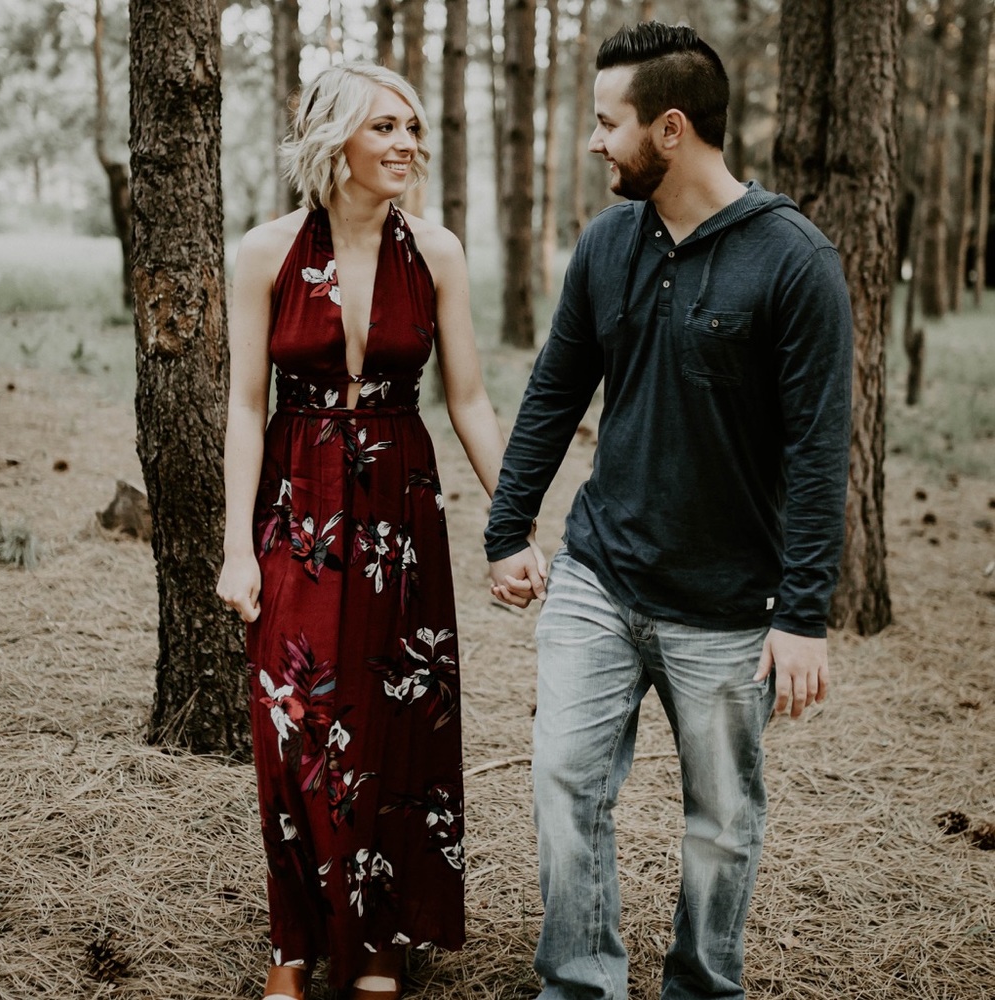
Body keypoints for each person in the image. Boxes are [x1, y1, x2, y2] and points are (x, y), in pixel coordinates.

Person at [486, 21, 853, 1000]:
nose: (596, 141)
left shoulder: (794, 262)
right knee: (565, 785)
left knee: (721, 819)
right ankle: (579, 984)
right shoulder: (608, 244)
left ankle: (700, 984)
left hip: (728, 608)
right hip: (598, 579)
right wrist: (506, 528)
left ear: (672, 127)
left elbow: (821, 454)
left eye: (610, 122)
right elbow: (553, 396)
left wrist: (805, 615)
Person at [217, 63, 528, 1000]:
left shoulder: (434, 251)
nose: (406, 146)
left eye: (415, 129)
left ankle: (382, 940)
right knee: (296, 722)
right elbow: (241, 407)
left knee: (397, 721)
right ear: (335, 139)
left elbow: (469, 399)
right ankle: (294, 943)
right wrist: (237, 545)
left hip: (401, 509)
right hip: (297, 501)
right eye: (385, 127)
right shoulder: (264, 252)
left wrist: (511, 525)